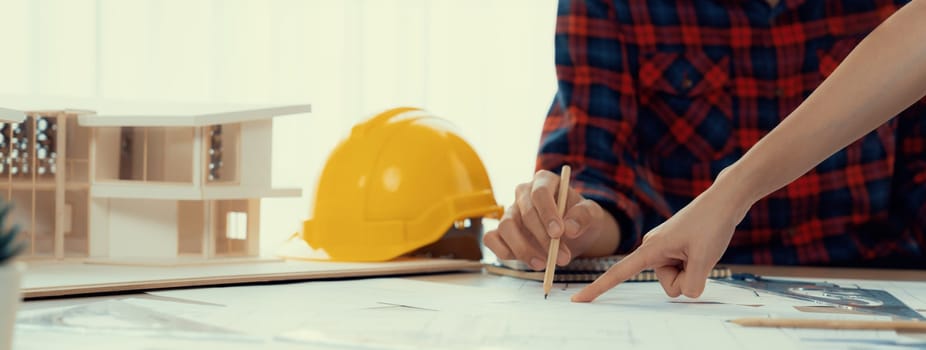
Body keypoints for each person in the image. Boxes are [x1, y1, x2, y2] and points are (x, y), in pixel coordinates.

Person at [483, 0, 926, 301]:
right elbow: (599, 172)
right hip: (690, 288)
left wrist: (732, 192)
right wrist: (575, 223)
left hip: (878, 275)